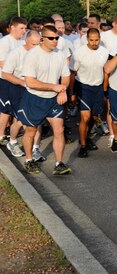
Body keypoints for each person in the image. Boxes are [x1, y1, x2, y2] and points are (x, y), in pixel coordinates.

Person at [18, 25, 72, 175]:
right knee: (31, 131)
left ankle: (59, 163)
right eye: (51, 38)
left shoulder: (60, 54)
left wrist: (63, 89)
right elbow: (30, 82)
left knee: (59, 130)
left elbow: (66, 77)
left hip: (53, 99)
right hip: (35, 98)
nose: (55, 41)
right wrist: (54, 87)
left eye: (57, 38)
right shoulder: (32, 55)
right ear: (42, 38)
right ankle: (29, 160)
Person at [70, 28, 110, 158]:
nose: (94, 43)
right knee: (85, 117)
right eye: (91, 40)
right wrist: (71, 92)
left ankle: (86, 138)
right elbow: (72, 73)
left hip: (97, 87)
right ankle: (82, 146)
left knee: (94, 117)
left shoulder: (104, 52)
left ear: (100, 39)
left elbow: (106, 71)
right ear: (87, 39)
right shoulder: (79, 53)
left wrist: (104, 89)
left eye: (96, 40)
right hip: (83, 86)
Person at [2, 30, 41, 158]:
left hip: (36, 88)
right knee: (21, 120)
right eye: (33, 44)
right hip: (17, 88)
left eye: (38, 44)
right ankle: (12, 142)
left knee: (37, 119)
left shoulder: (42, 53)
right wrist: (23, 82)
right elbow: (6, 74)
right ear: (26, 41)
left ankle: (35, 148)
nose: (36, 47)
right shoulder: (16, 54)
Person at [0, 16, 27, 145]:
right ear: (12, 28)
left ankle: (12, 132)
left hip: (19, 79)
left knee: (15, 108)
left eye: (25, 28)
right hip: (6, 79)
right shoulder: (5, 42)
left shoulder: (22, 42)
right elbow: (2, 63)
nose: (23, 31)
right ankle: (1, 134)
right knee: (5, 108)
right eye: (21, 28)